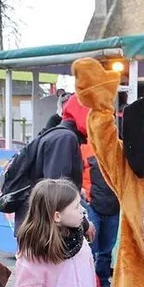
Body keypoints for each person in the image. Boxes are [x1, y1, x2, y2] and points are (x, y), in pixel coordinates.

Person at [13, 94, 90, 236]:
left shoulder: (58, 135)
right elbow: (58, 193)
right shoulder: (65, 138)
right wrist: (84, 223)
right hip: (44, 232)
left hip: (38, 226)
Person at [82, 144, 120, 287]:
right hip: (93, 205)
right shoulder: (85, 147)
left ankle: (103, 283)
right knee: (89, 248)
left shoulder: (118, 146)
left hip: (113, 206)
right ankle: (87, 286)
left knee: (106, 250)